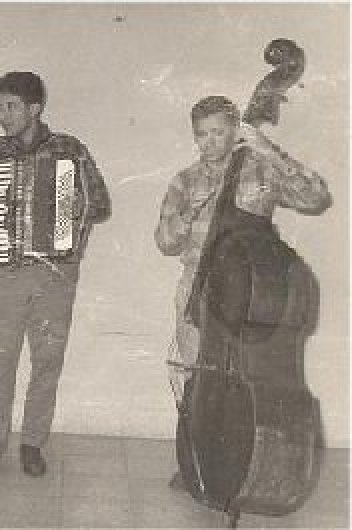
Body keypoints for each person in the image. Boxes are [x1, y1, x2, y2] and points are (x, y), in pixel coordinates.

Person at [155, 95, 331, 490]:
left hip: (247, 291)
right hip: (198, 289)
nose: (210, 142)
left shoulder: (258, 170)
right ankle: (197, 465)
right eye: (202, 134)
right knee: (198, 380)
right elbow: (165, 241)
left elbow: (316, 196)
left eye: (219, 132)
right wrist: (187, 214)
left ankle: (241, 464)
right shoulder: (185, 180)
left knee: (243, 378)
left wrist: (268, 149)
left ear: (236, 130)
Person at [0, 71, 111, 480]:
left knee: (46, 362)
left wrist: (76, 208)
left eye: (11, 106)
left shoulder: (69, 150)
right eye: (0, 107)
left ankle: (33, 444)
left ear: (34, 108)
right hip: (5, 273)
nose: (3, 115)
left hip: (55, 273)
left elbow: (101, 203)